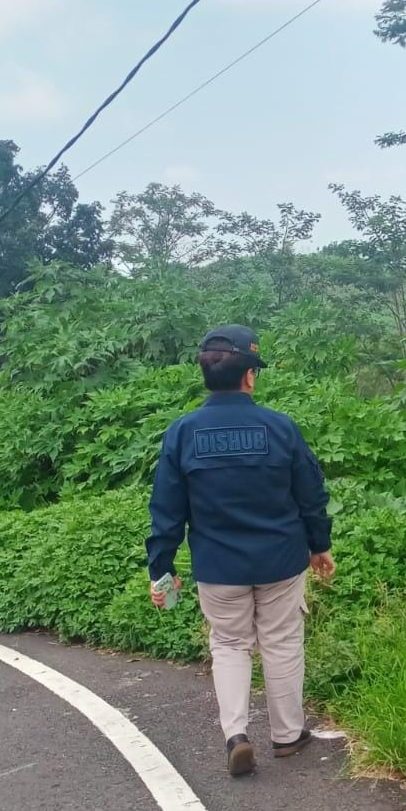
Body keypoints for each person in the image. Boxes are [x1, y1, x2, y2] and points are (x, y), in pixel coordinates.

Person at [145, 324, 335, 777]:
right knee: (282, 640)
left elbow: (166, 509)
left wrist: (162, 567)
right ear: (249, 376)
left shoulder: (182, 432)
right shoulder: (279, 426)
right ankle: (288, 735)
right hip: (281, 560)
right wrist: (319, 545)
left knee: (229, 644)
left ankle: (237, 735)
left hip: (218, 565)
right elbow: (310, 492)